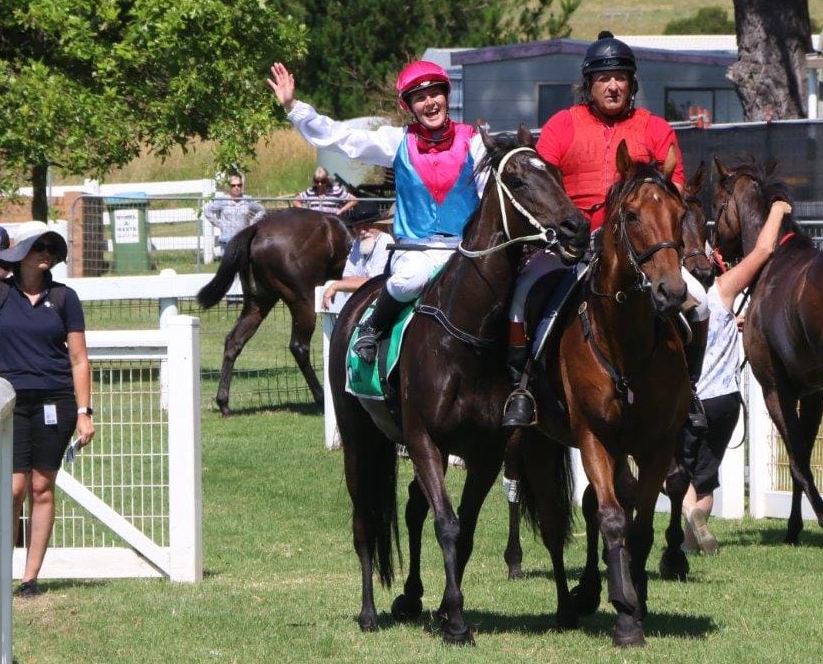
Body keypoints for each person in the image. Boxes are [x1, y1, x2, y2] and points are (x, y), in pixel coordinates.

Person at [501, 31, 709, 427]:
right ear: (589, 85)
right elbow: (542, 183)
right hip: (572, 248)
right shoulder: (563, 125)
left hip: (640, 250)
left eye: (621, 77)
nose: (613, 85)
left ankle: (690, 389)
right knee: (521, 294)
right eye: (604, 78)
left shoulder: (655, 128)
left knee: (699, 303)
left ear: (632, 84)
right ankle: (522, 388)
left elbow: (676, 190)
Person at [267, 59, 487, 363]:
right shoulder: (396, 141)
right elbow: (340, 137)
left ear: (446, 97)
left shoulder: (476, 142)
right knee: (409, 280)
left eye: (435, 94)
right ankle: (373, 327)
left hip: (466, 251)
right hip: (417, 251)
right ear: (410, 106)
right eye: (420, 98)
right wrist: (294, 107)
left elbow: (493, 193)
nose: (429, 102)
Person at [682, 199, 793, 555]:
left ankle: (688, 517)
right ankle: (696, 528)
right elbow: (763, 249)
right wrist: (776, 210)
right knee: (707, 481)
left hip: (688, 402)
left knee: (680, 474)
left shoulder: (670, 307)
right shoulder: (723, 292)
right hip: (726, 401)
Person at [0, 230, 94, 598]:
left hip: (56, 402)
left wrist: (84, 411)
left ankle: (30, 577)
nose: (46, 253)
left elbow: (79, 359)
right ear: (21, 254)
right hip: (11, 402)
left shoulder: (65, 297)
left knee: (41, 487)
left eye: (51, 248)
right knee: (13, 487)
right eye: (39, 247)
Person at [321, 212, 395, 310]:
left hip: (381, 304)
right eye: (357, 227)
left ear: (378, 225)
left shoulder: (386, 241)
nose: (362, 231)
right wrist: (350, 284)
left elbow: (375, 283)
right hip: (363, 301)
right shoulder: (358, 242)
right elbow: (347, 278)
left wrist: (336, 286)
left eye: (366, 226)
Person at [204, 172, 266, 249]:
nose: (236, 187)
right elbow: (207, 210)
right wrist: (219, 224)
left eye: (239, 185)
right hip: (227, 240)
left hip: (243, 239)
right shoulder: (223, 200)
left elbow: (261, 210)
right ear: (229, 187)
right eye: (233, 185)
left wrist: (252, 222)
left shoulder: (247, 200)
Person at [293, 166, 358, 218]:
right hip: (315, 221)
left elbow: (354, 200)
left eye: (323, 181)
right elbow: (296, 200)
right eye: (317, 181)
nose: (320, 184)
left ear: (327, 180)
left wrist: (341, 211)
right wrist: (305, 211)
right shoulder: (310, 191)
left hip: (333, 221)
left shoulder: (336, 190)